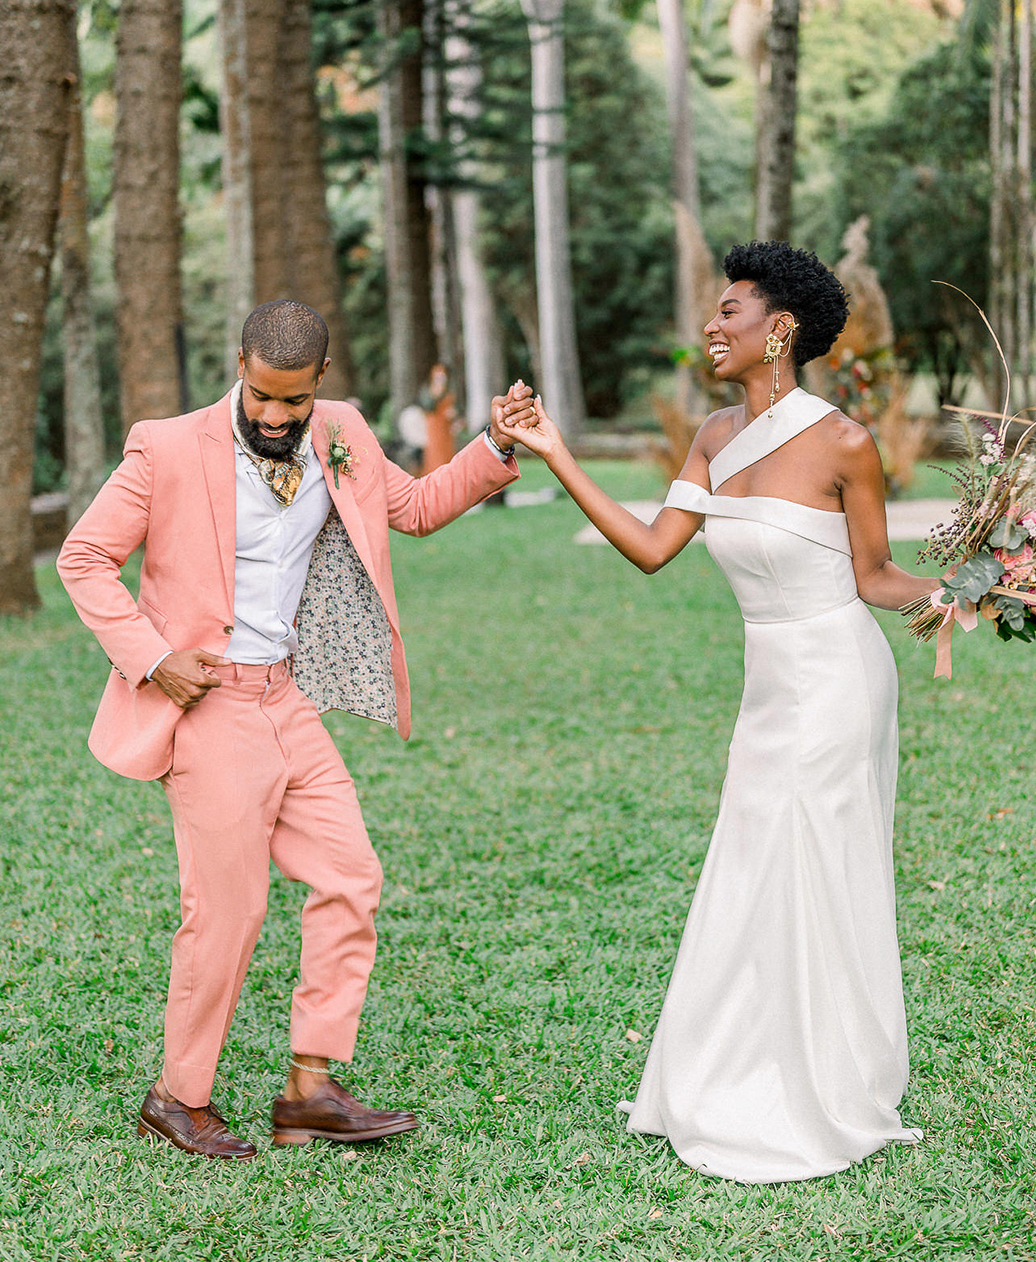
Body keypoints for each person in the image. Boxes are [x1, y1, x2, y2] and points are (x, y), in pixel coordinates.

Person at [499, 241, 940, 1184]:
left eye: (730, 311)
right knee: (749, 860)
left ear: (778, 328)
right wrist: (551, 451)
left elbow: (874, 576)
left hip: (836, 677)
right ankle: (735, 1064)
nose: (712, 324)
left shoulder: (845, 442)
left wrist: (972, 587)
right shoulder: (710, 436)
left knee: (813, 860)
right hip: (767, 682)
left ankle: (825, 1077)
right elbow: (655, 547)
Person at [58, 300, 535, 1161]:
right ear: (239, 363)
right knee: (228, 911)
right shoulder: (164, 448)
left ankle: (311, 1086)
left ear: (321, 382)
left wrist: (496, 447)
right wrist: (152, 654)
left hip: (289, 700)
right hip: (207, 704)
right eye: (260, 397)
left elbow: (418, 508)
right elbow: (84, 557)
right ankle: (177, 1097)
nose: (275, 417)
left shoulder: (343, 431)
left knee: (352, 874)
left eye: (293, 402)